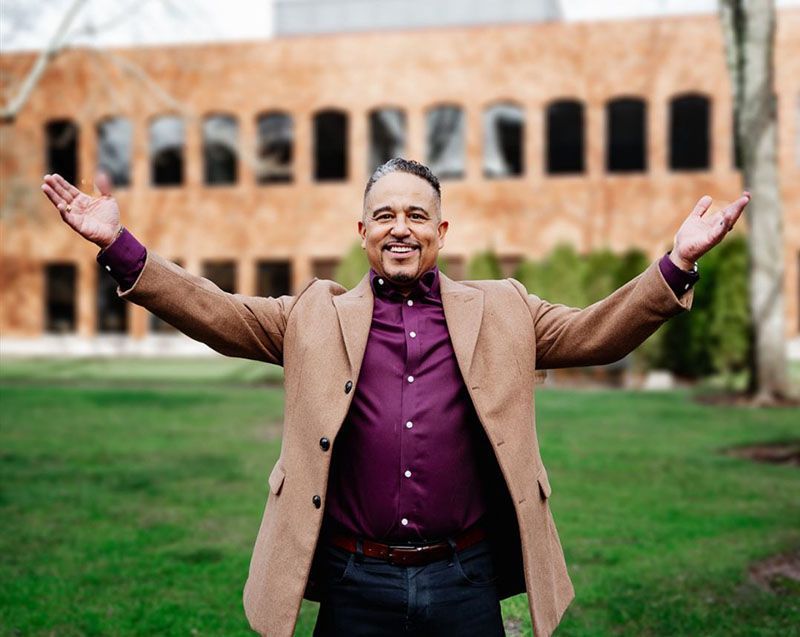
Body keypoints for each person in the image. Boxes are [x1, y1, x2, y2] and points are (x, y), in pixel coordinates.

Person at [41, 159, 749, 637]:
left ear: (442, 232)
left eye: (416, 214)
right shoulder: (311, 314)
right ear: (362, 233)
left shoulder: (505, 309)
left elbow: (599, 332)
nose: (400, 226)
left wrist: (677, 262)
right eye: (384, 215)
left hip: (464, 577)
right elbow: (216, 312)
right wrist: (123, 248)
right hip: (354, 579)